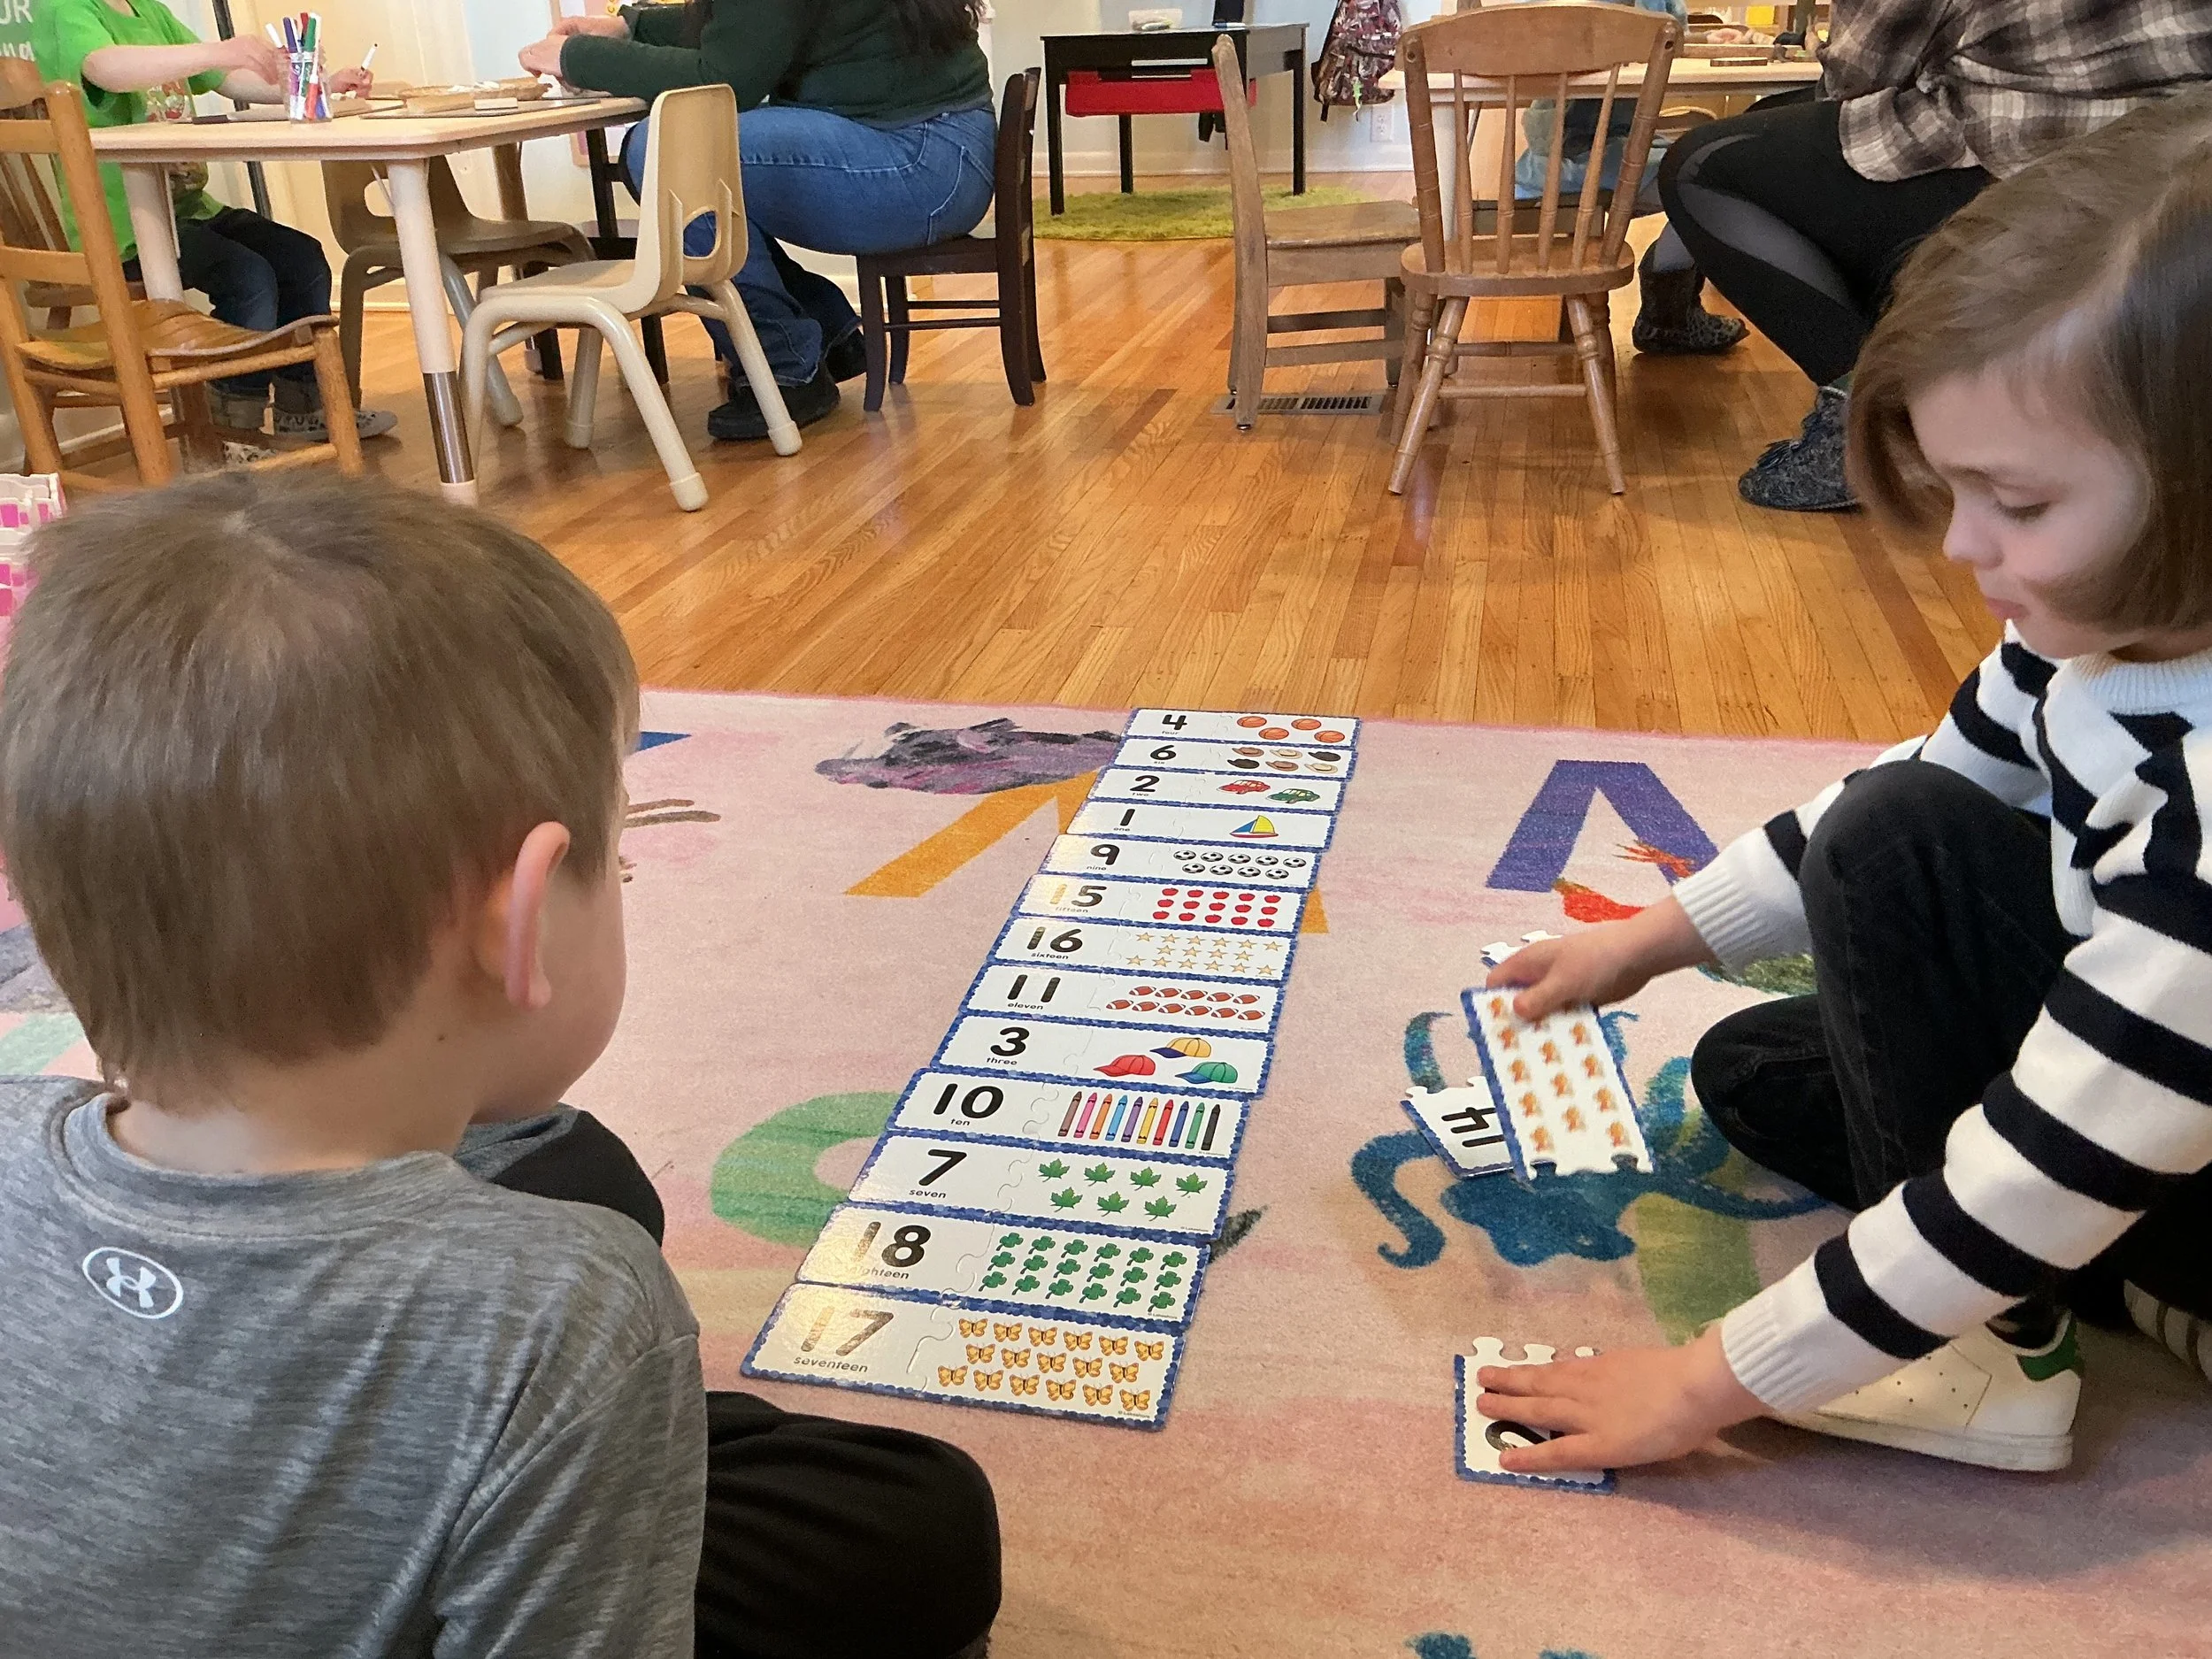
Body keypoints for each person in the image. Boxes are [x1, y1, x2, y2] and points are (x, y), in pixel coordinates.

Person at [0, 472, 1001, 1659]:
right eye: (615, 860)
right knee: (922, 1520)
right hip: (477, 1450)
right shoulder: (568, 1302)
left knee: (576, 1171)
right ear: (515, 923)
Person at [1471, 91, 2212, 1479]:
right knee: (1752, 1067)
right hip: (2170, 1087)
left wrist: (1707, 1379)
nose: (1960, 549)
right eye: (1954, 488)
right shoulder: (2105, 632)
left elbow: (1913, 875)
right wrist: (1647, 938)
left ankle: (1994, 1351)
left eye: (2022, 504)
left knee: (1904, 865)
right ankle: (2132, 1278)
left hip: (2167, 1090)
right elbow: (1937, 778)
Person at [1657, 0, 2212, 513]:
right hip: (2179, 148)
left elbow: (1861, 70)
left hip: (2028, 150)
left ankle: (1865, 421)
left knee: (1701, 166)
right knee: (1775, 126)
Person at [523, 0, 995, 442]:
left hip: (919, 163)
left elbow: (726, 75)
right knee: (677, 152)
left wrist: (577, 57)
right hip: (940, 151)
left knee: (669, 150)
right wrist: (629, 28)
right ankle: (824, 331)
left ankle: (784, 365)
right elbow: (751, 26)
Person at [31, 0, 397, 442]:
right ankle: (230, 430)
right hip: (122, 228)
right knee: (247, 275)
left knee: (301, 257)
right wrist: (219, 50)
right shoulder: (64, 9)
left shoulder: (150, 11)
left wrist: (306, 85)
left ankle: (302, 407)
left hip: (188, 209)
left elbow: (227, 80)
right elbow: (104, 68)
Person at [1513, 0, 1746, 356]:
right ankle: (1669, 310)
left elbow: (1666, 35)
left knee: (1719, 168)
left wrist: (1703, 39)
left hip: (1612, 147)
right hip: (1577, 159)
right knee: (1719, 180)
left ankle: (1668, 307)